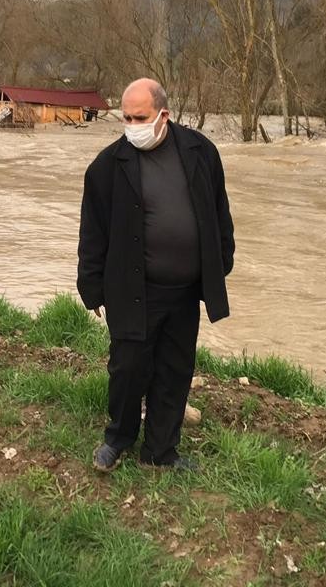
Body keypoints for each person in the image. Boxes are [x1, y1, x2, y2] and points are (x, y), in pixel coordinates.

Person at [77, 78, 235, 472]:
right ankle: (118, 438)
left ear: (164, 114)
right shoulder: (107, 166)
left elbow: (219, 213)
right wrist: (91, 286)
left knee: (175, 370)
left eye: (140, 117)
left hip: (184, 291)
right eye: (126, 118)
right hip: (132, 289)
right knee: (128, 368)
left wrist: (221, 261)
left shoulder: (200, 153)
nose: (132, 125)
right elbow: (93, 231)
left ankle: (161, 451)